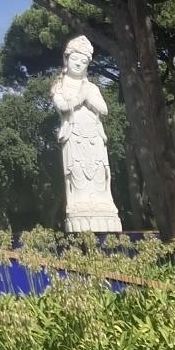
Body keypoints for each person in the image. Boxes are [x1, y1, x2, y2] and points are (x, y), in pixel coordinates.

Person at [50, 35, 122, 232]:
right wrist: (81, 98)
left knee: (99, 171)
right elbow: (63, 106)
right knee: (77, 172)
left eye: (83, 61)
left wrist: (89, 98)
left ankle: (102, 204)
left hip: (94, 134)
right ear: (67, 59)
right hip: (74, 134)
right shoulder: (59, 84)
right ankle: (79, 206)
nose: (79, 64)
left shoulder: (92, 87)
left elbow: (104, 109)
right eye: (75, 59)